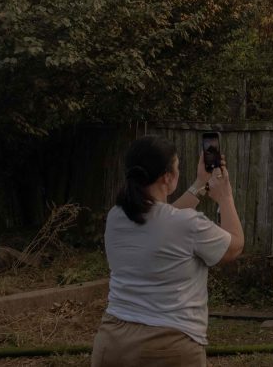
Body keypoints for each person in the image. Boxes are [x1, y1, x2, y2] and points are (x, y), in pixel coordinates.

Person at [91, 134, 244, 367]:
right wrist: (225, 197)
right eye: (177, 167)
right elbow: (234, 247)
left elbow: (164, 220)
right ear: (168, 177)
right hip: (168, 345)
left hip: (112, 342)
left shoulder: (116, 216)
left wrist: (199, 185)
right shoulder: (187, 224)